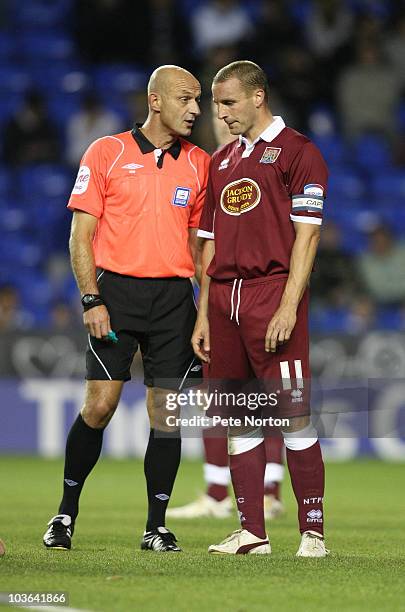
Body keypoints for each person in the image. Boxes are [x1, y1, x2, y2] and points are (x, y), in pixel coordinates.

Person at [42, 65, 210, 553]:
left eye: (199, 100)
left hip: (175, 299)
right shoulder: (106, 152)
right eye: (186, 98)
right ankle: (64, 515)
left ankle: (156, 527)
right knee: (99, 406)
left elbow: (204, 249)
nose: (195, 109)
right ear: (155, 100)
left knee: (166, 414)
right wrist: (91, 298)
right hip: (115, 294)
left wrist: (206, 313)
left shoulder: (200, 163)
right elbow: (81, 235)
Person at [193, 61, 329, 557]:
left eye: (228, 102)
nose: (220, 113)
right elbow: (206, 244)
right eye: (216, 104)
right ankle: (253, 532)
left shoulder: (299, 152)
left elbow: (308, 236)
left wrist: (289, 305)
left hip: (272, 292)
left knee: (292, 414)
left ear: (257, 97)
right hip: (223, 297)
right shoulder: (222, 160)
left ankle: (312, 533)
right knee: (238, 417)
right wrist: (203, 313)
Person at [167, 107, 285, 521]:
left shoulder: (267, 165)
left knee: (264, 396)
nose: (223, 124)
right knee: (215, 396)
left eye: (228, 116)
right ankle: (218, 491)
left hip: (255, 293)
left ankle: (269, 489)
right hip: (213, 297)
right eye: (216, 120)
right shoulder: (211, 168)